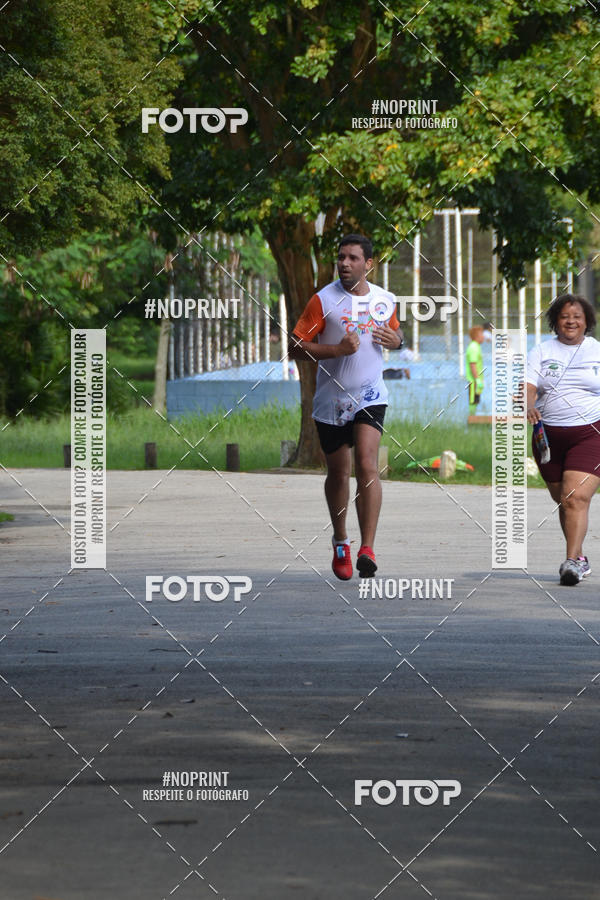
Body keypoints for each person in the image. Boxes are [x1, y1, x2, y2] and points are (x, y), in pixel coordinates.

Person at [288, 234, 403, 580]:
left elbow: (396, 336)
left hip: (371, 395)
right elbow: (295, 346)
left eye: (353, 258)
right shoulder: (323, 300)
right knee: (338, 472)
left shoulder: (385, 300)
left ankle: (367, 548)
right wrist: (337, 350)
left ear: (369, 264)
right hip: (332, 400)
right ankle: (341, 541)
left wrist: (397, 341)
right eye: (341, 257)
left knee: (367, 464)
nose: (344, 263)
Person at [526, 293, 600, 585]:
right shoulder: (542, 351)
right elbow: (528, 384)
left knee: (575, 497)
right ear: (556, 322)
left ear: (586, 322)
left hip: (590, 432)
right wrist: (529, 404)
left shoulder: (596, 351)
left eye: (577, 317)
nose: (571, 321)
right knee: (564, 500)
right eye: (565, 316)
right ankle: (579, 557)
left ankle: (571, 563)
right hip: (548, 436)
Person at [465, 325, 485, 415]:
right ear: (477, 335)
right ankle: (471, 422)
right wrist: (477, 379)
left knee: (476, 401)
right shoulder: (473, 347)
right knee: (472, 402)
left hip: (477, 380)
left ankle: (473, 418)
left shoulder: (477, 346)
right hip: (473, 381)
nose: (484, 336)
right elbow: (472, 364)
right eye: (482, 334)